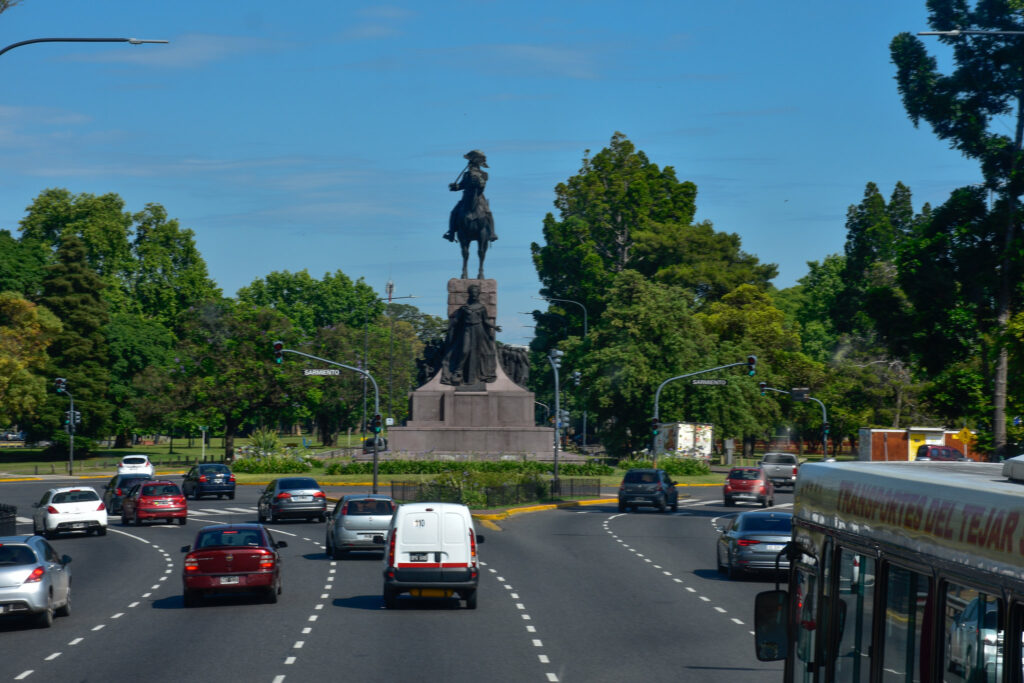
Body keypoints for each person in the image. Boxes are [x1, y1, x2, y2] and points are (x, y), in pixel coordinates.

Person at [441, 283, 501, 386]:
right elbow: (456, 320)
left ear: (478, 294)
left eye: (476, 293)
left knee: (479, 353)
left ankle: (475, 376)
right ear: (469, 294)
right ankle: (458, 372)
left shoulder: (481, 308)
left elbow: (485, 320)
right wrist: (448, 328)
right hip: (467, 330)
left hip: (479, 331)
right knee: (464, 350)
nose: (474, 295)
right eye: (472, 293)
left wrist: (494, 327)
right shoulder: (464, 308)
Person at [444, 150, 497, 242]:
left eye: (471, 162)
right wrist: (455, 187)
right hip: (465, 198)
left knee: (488, 213)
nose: (469, 164)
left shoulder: (484, 174)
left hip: (479, 197)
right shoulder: (466, 175)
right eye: (469, 162)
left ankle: (492, 233)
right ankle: (451, 233)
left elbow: (482, 186)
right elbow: (461, 185)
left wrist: (478, 182)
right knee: (454, 212)